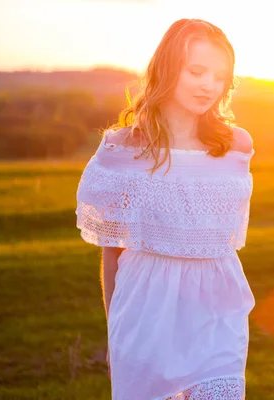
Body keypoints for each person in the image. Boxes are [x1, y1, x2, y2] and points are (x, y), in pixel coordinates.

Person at [75, 18, 255, 399]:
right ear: (168, 69)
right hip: (145, 309)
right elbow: (113, 252)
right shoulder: (123, 149)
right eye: (197, 71)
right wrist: (115, 331)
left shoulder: (235, 146)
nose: (209, 85)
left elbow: (221, 241)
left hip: (217, 310)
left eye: (220, 76)